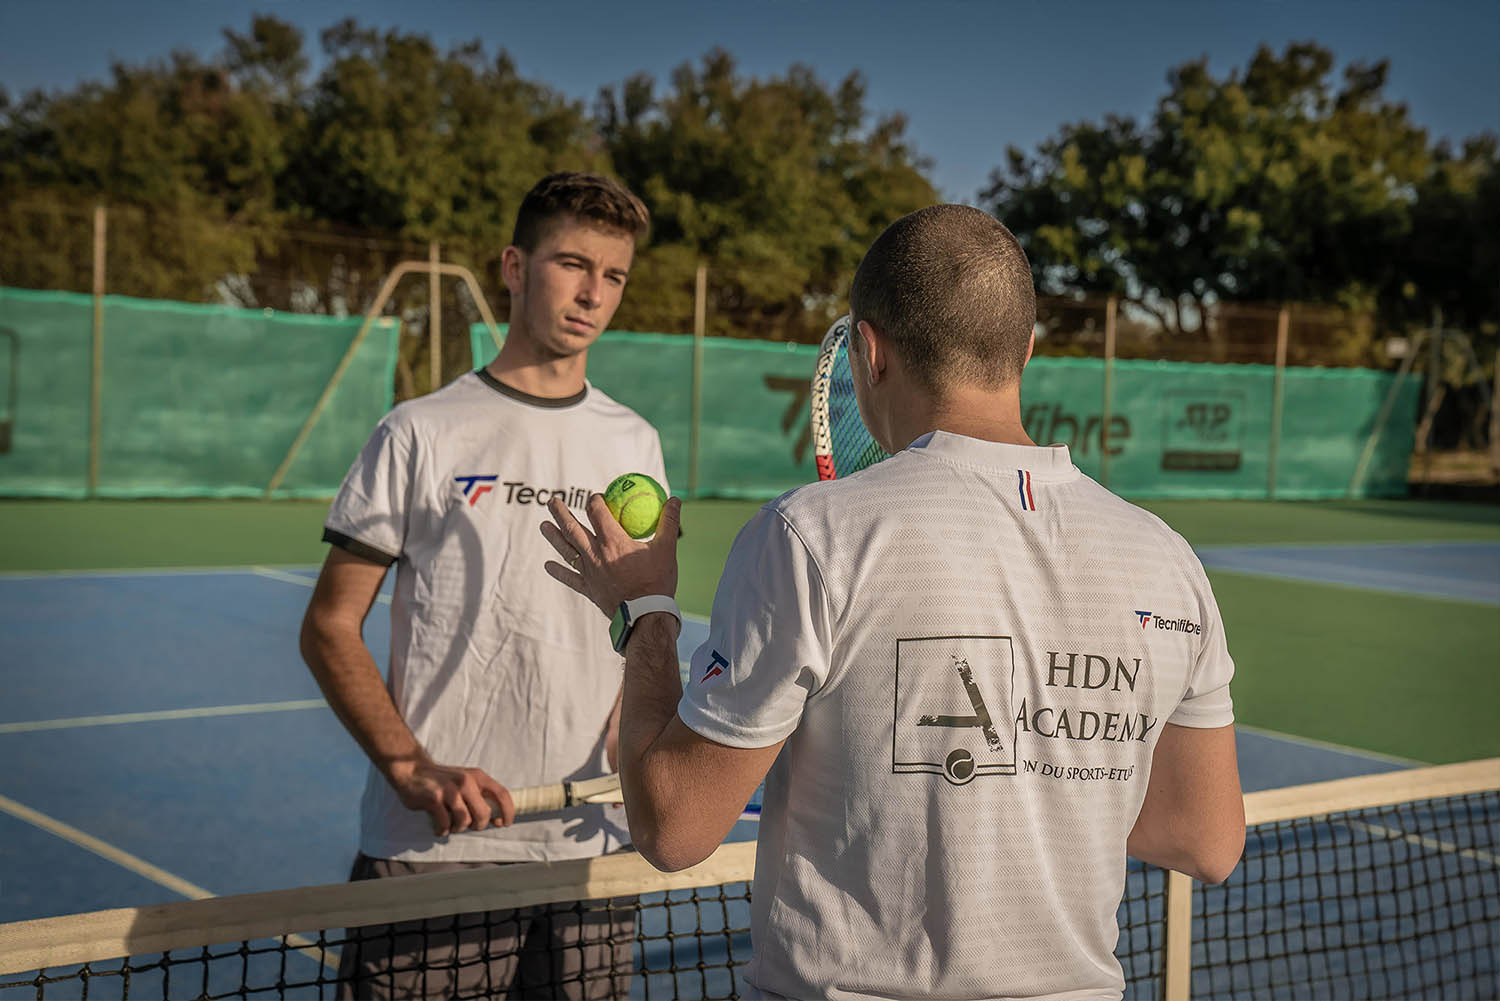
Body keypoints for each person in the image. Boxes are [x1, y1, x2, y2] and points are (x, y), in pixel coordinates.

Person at [540, 204, 1246, 1000]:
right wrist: (1051, 775)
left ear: (869, 352)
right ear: (1024, 350)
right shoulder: (1168, 558)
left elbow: (673, 827)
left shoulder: (808, 533)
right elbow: (1206, 839)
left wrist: (645, 614)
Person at [300, 171, 665, 1000]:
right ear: (513, 266)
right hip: (434, 850)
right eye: (572, 264)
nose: (592, 293)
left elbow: (638, 619)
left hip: (590, 848)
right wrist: (410, 767)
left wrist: (627, 714)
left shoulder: (634, 442)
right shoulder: (419, 432)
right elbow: (328, 625)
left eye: (613, 275)